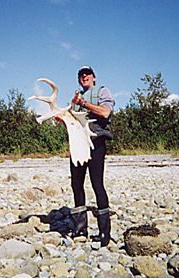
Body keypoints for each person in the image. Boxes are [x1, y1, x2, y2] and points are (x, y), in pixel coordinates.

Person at [69, 66, 115, 247]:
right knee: (76, 183)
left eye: (87, 74)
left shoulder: (102, 91)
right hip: (78, 143)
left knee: (97, 184)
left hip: (96, 142)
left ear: (94, 78)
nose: (84, 77)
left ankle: (105, 233)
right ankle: (80, 229)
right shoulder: (76, 97)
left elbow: (105, 112)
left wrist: (83, 104)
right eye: (81, 75)